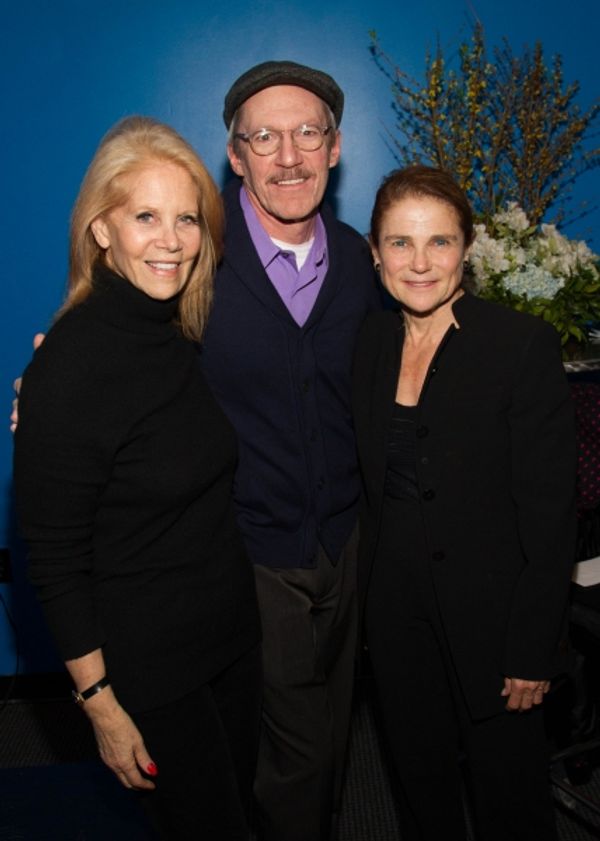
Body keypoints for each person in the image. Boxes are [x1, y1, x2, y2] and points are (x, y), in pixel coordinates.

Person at [13, 116, 261, 841]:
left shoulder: (174, 328)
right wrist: (99, 703)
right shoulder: (69, 364)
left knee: (239, 813)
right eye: (145, 216)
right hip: (151, 669)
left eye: (186, 217)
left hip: (228, 641)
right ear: (100, 229)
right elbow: (53, 560)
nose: (172, 239)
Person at [352, 164, 577, 841]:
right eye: (399, 243)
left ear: (468, 248)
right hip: (393, 619)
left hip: (494, 625)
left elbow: (550, 513)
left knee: (511, 804)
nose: (419, 263)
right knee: (421, 794)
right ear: (374, 252)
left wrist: (532, 647)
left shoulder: (519, 346)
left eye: (439, 242)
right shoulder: (368, 343)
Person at [200, 61, 380, 841]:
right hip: (250, 551)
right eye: (264, 138)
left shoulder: (365, 264)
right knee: (292, 753)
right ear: (236, 156)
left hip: (347, 543)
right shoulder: (195, 256)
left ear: (335, 148)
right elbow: (120, 343)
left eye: (308, 133)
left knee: (331, 739)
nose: (289, 157)